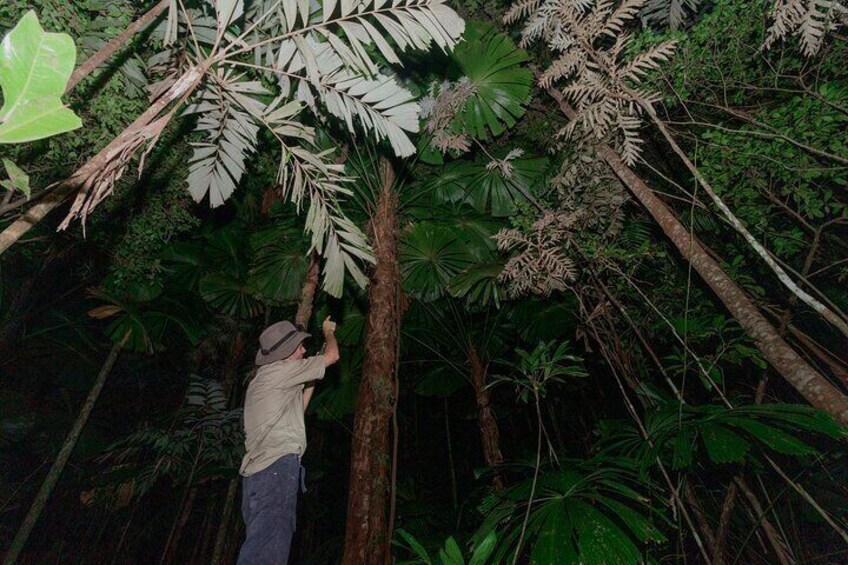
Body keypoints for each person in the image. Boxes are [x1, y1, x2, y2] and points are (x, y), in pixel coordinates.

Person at [237, 316, 339, 565]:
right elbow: (333, 356)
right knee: (267, 552)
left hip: (257, 478)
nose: (304, 350)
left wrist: (311, 379)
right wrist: (328, 333)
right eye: (299, 346)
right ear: (285, 352)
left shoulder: (265, 379)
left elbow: (297, 411)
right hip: (276, 470)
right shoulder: (281, 372)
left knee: (261, 544)